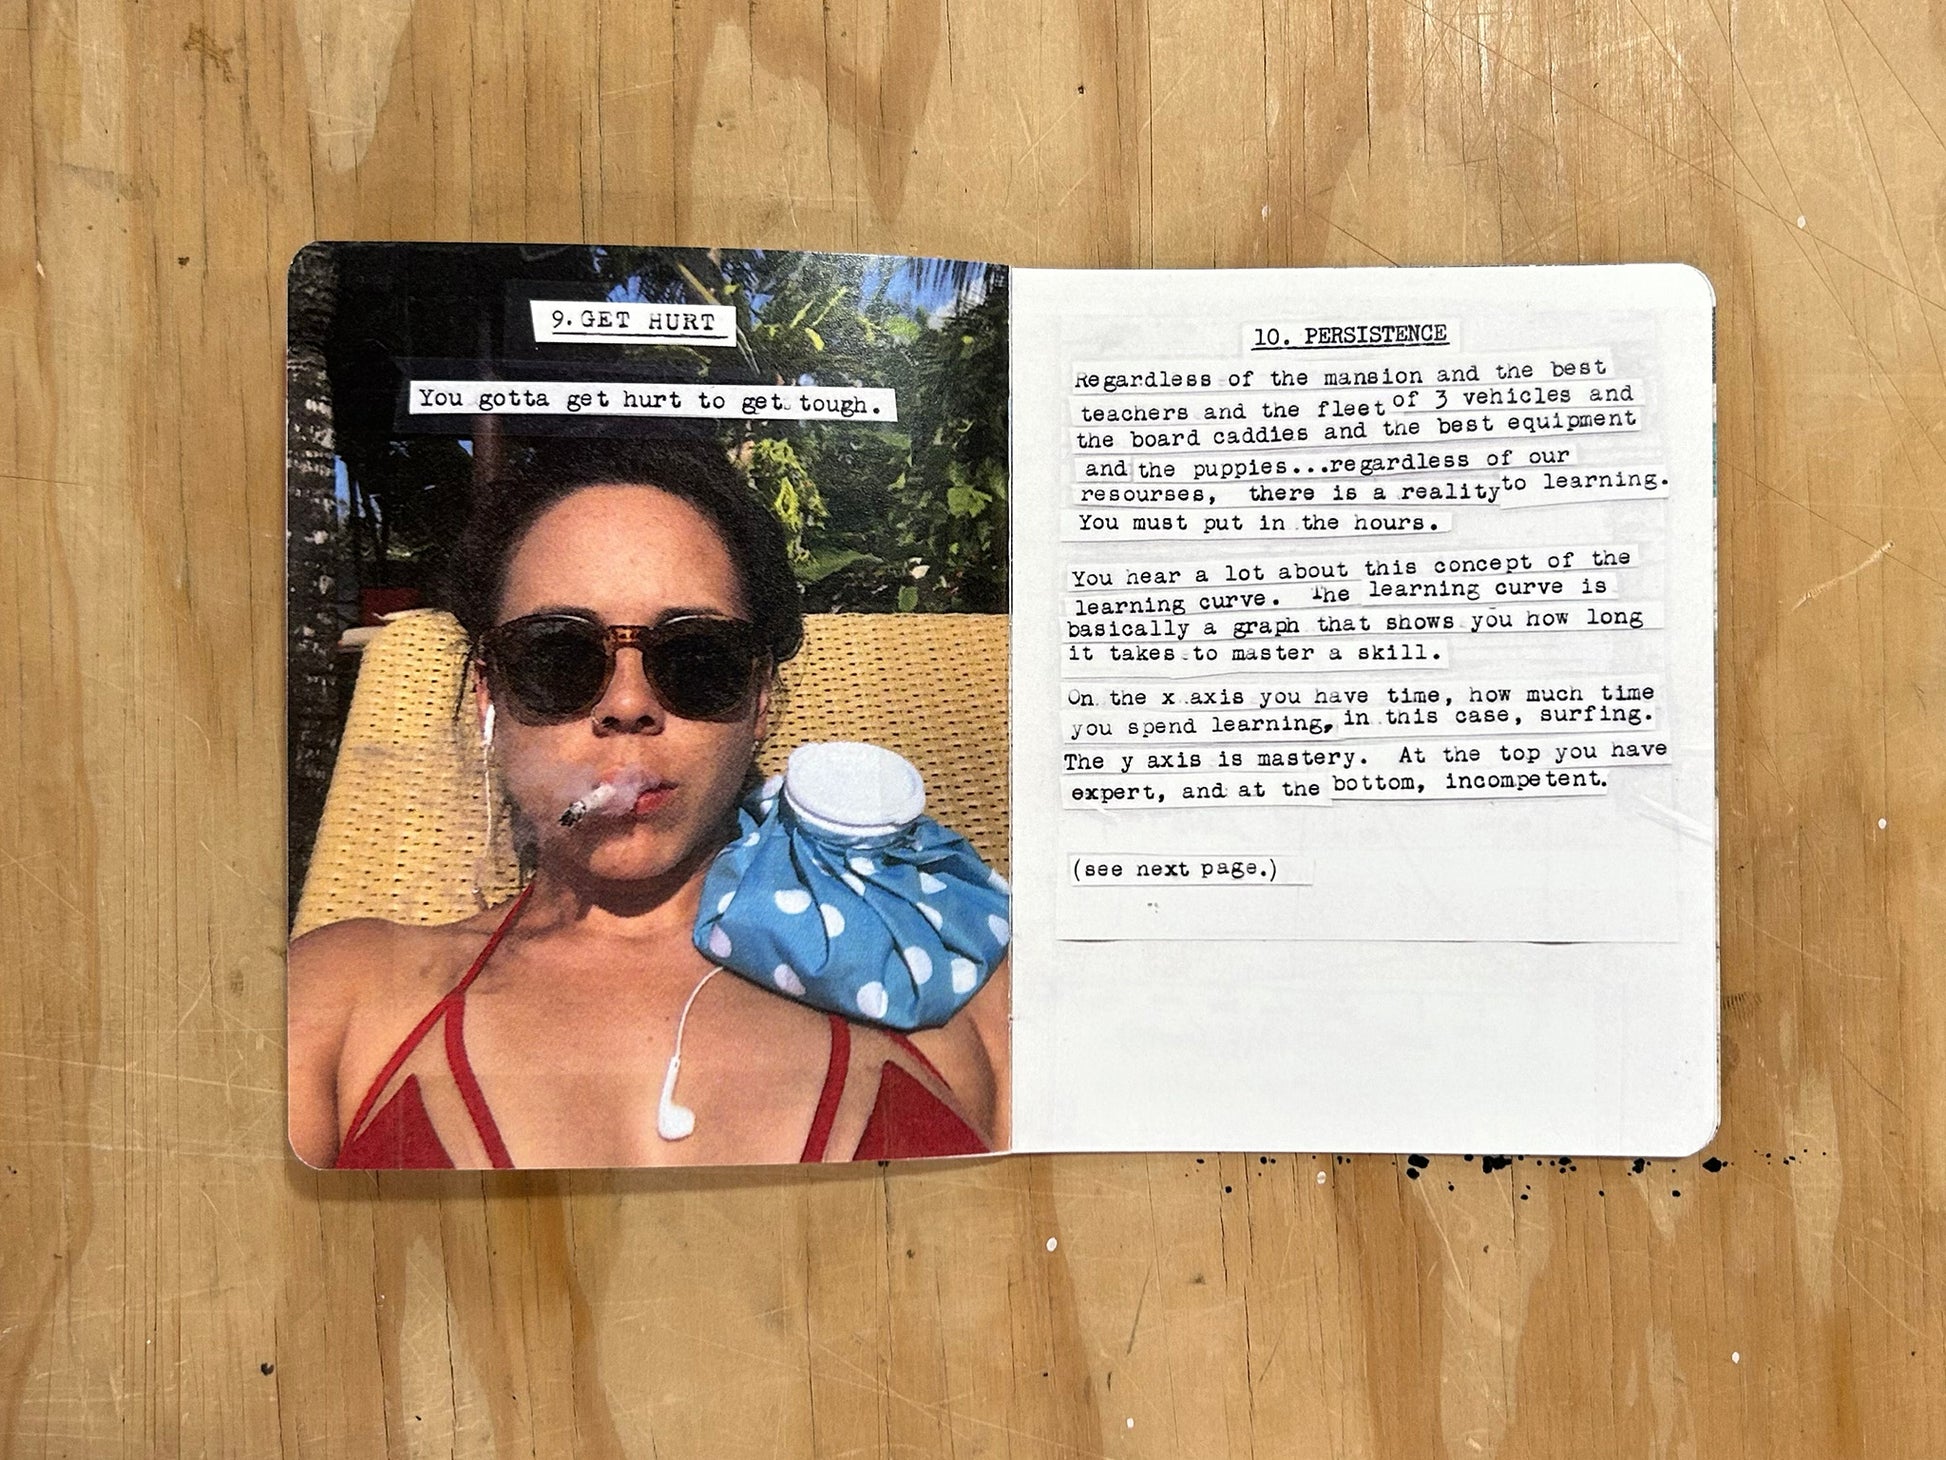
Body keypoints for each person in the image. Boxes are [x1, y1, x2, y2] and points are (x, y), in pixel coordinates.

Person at [289, 436, 1010, 1168]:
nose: (628, 704)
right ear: (489, 694)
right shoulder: (335, 994)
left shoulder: (953, 971)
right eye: (557, 656)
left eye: (697, 657)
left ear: (759, 697)